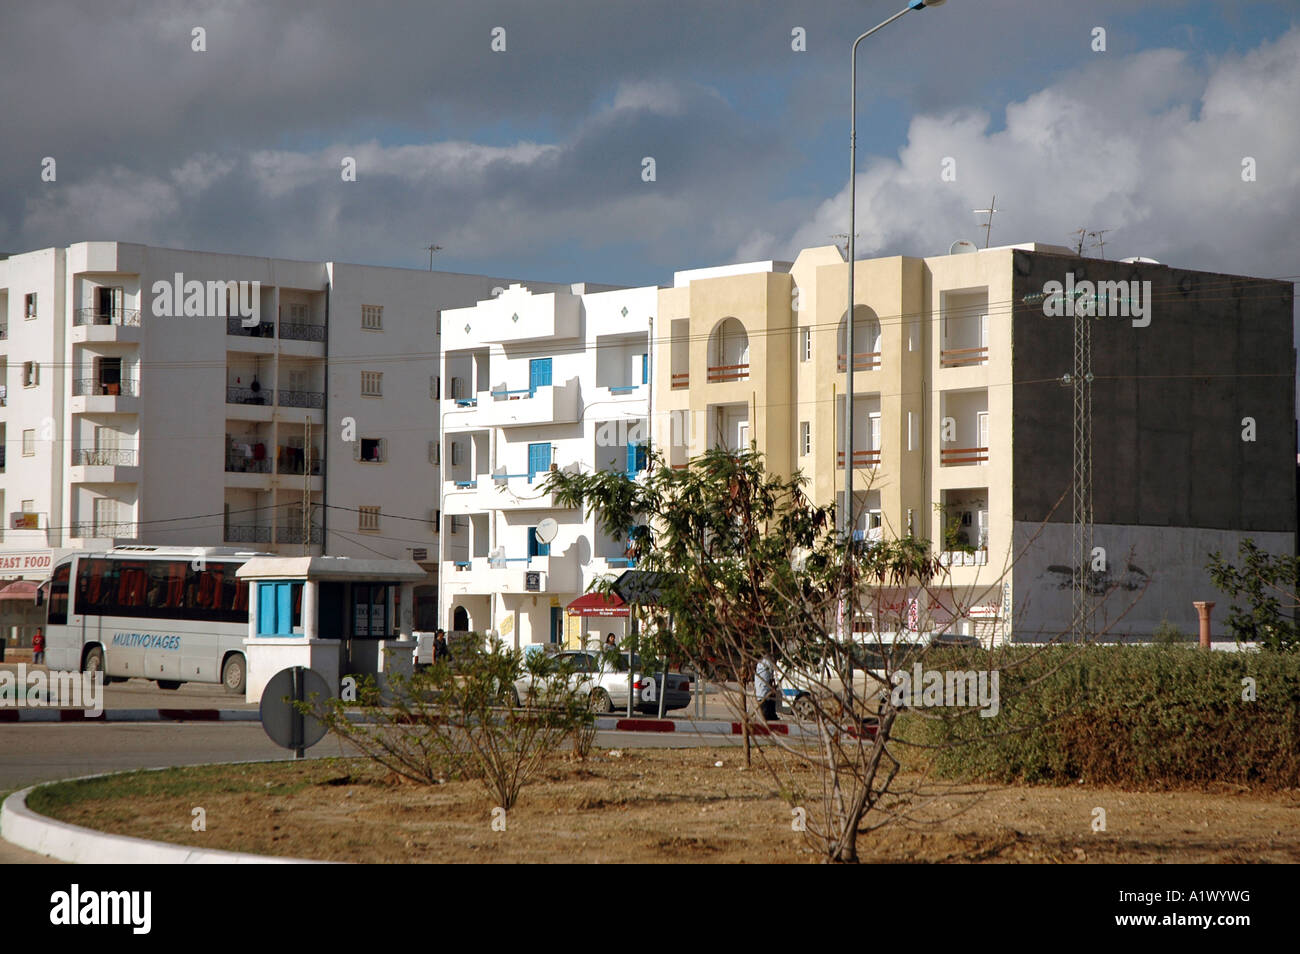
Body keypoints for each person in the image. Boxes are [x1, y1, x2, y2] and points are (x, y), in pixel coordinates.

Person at [755, 652, 779, 721]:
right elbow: (775, 669)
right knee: (766, 713)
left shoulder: (762, 662)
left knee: (770, 699)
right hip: (764, 691)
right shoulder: (767, 661)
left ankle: (772, 715)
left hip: (764, 690)